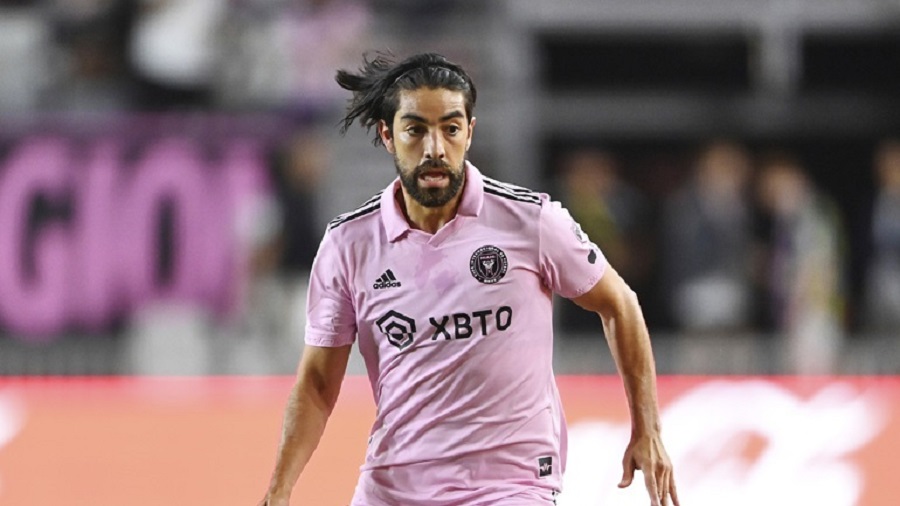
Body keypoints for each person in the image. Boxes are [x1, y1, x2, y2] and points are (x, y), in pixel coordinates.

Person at [259, 52, 679, 506]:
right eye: (415, 129)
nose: (435, 148)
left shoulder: (529, 222)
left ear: (470, 133)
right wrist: (279, 490)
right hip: (392, 489)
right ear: (387, 135)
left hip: (509, 488)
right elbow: (319, 383)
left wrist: (647, 429)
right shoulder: (348, 244)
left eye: (450, 128)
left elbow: (620, 304)